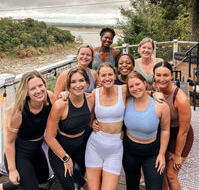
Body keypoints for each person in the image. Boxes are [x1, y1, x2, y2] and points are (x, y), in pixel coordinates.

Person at [0, 71, 55, 190]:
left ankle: (7, 186)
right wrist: (12, 170)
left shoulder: (50, 97)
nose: (39, 91)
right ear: (26, 92)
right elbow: (9, 143)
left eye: (40, 85)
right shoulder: (18, 113)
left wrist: (65, 95)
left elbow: (61, 113)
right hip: (20, 153)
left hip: (36, 149)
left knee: (43, 178)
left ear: (45, 85)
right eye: (33, 88)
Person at [46, 67, 94, 190]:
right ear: (68, 85)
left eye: (81, 80)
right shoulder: (60, 105)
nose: (78, 85)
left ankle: (82, 184)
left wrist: (96, 122)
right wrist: (66, 158)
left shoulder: (91, 99)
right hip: (60, 150)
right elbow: (49, 137)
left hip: (80, 145)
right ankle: (81, 183)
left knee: (93, 170)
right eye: (73, 82)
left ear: (87, 83)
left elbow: (91, 120)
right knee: (68, 187)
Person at [123, 71, 170, 190]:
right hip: (129, 151)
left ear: (145, 84)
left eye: (138, 84)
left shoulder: (161, 105)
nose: (135, 88)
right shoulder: (126, 101)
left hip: (152, 153)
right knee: (131, 186)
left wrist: (161, 154)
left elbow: (165, 130)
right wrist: (95, 121)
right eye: (131, 86)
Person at [85, 62, 127, 190]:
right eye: (103, 75)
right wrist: (92, 122)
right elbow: (87, 113)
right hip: (94, 146)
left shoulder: (123, 90)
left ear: (115, 75)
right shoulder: (94, 93)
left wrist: (154, 94)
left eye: (110, 74)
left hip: (115, 148)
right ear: (98, 77)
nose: (107, 78)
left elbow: (141, 90)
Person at [153, 61, 194, 190]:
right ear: (154, 76)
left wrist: (177, 154)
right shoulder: (156, 87)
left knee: (171, 175)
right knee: (162, 171)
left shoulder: (180, 99)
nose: (161, 79)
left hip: (180, 135)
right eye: (158, 75)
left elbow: (184, 131)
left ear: (172, 76)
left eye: (165, 75)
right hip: (164, 132)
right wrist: (153, 93)